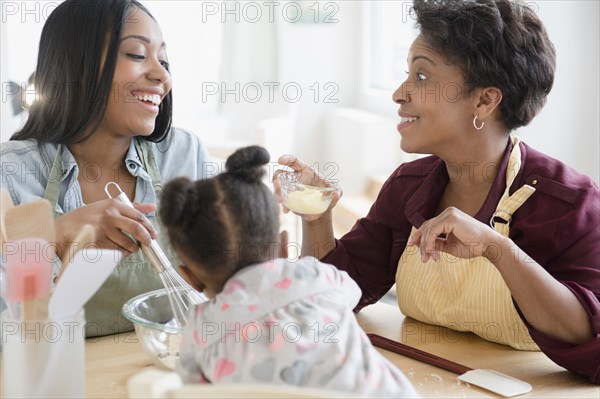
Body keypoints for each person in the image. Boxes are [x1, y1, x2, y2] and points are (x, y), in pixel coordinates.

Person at [274, 0, 600, 384]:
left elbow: (588, 339)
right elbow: (334, 295)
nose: (399, 93)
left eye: (422, 77)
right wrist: (318, 218)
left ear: (484, 100)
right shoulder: (408, 186)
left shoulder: (571, 203)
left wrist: (498, 248)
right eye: (405, 74)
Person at [0, 0, 211, 336]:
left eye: (164, 59)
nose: (162, 75)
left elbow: (227, 282)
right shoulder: (10, 175)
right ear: (76, 66)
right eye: (138, 55)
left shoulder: (184, 155)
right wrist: (53, 238)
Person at [158, 146, 418, 397]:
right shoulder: (320, 277)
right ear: (284, 244)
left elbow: (189, 390)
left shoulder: (202, 330)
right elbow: (351, 292)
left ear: (189, 277)